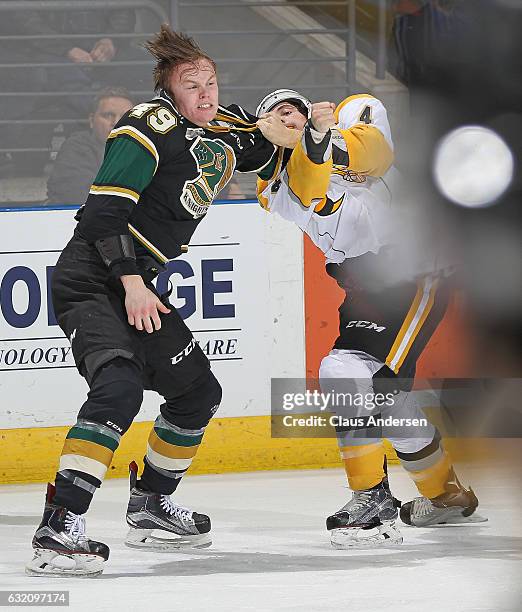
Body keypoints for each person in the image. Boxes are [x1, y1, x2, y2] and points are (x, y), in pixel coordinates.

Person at [26, 26, 279, 578]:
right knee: (116, 388)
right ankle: (59, 524)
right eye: (194, 86)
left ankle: (151, 506)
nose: (207, 95)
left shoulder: (221, 126)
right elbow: (100, 217)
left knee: (197, 393)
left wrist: (298, 120)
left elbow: (267, 147)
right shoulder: (145, 127)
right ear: (169, 90)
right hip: (94, 277)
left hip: (141, 281)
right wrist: (132, 285)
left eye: (212, 82)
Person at [255, 89, 485, 548]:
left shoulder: (354, 125)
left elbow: (375, 147)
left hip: (415, 276)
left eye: (295, 107)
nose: (291, 114)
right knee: (382, 392)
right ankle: (446, 495)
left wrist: (319, 138)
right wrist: (276, 145)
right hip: (365, 289)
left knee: (347, 374)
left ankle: (372, 500)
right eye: (276, 112)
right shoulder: (283, 185)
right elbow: (296, 187)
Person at [46, 88, 134, 205]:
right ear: (92, 120)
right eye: (108, 115)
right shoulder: (75, 148)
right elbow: (77, 195)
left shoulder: (148, 149)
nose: (117, 122)